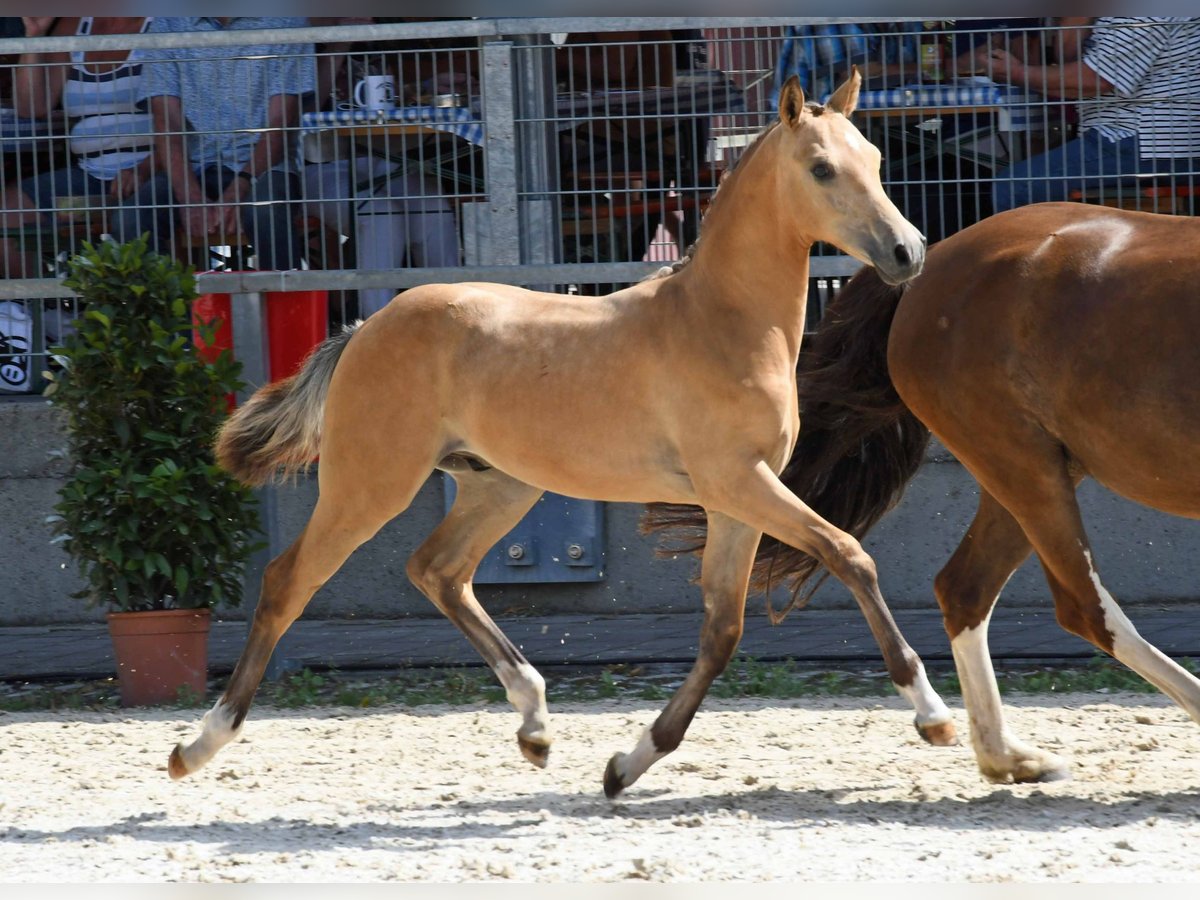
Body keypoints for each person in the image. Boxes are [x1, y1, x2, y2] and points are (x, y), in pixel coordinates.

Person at [112, 17, 316, 271]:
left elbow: (280, 123)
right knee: (130, 218)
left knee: (266, 212)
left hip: (264, 168)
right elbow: (167, 121)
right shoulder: (167, 24)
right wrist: (189, 196)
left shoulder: (286, 22)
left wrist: (241, 185)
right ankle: (166, 309)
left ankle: (286, 308)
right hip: (194, 166)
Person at [301, 17, 469, 319]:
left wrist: (425, 89)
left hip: (381, 155)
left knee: (430, 201)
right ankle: (375, 326)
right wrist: (342, 35)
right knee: (381, 212)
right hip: (316, 164)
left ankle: (452, 315)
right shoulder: (297, 36)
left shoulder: (372, 42)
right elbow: (308, 103)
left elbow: (384, 97)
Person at [976, 16, 1200, 212]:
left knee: (1017, 186)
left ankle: (1033, 260)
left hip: (1151, 143)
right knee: (1025, 181)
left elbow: (1095, 79)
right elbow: (1070, 78)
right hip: (1129, 139)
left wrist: (1015, 73)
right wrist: (1076, 21)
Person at [1, 16, 155, 282]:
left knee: (140, 217)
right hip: (91, 184)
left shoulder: (165, 24)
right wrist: (34, 36)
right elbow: (31, 106)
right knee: (8, 212)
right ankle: (51, 312)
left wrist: (144, 171)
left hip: (155, 176)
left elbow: (185, 124)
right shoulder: (74, 25)